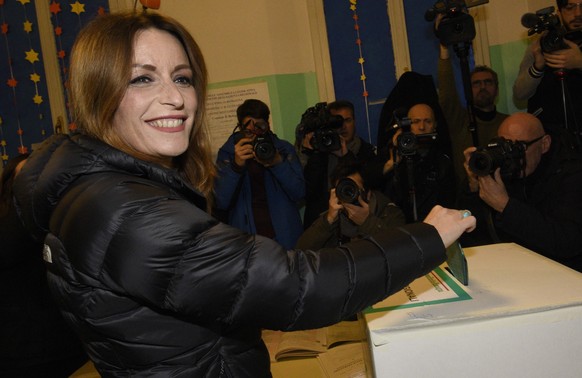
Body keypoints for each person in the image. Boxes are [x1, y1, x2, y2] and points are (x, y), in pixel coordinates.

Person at [13, 12, 476, 377]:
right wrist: (427, 237)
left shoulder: (95, 187)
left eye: (182, 77)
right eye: (142, 78)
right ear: (100, 93)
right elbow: (297, 285)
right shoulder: (123, 210)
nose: (175, 98)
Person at [459, 112, 582, 272]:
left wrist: (506, 206)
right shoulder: (505, 170)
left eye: (519, 147)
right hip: (517, 268)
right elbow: (474, 235)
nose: (511, 155)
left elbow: (566, 242)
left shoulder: (572, 176)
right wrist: (474, 186)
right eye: (504, 146)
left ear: (544, 144)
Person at [0, 154, 88, 377]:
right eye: (27, 178)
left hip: (64, 343)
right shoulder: (13, 225)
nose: (34, 184)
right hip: (23, 347)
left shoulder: (65, 218)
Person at [214, 99, 304, 249]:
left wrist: (277, 163)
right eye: (249, 131)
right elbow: (221, 202)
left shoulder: (282, 149)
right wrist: (236, 166)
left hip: (284, 236)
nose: (254, 136)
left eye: (260, 129)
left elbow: (299, 192)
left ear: (267, 126)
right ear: (240, 128)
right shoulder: (229, 153)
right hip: (247, 240)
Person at [436, 15, 509, 189]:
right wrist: (444, 48)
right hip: (468, 196)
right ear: (469, 89)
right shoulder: (460, 121)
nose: (482, 87)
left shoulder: (508, 123)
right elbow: (447, 94)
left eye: (488, 82)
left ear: (497, 89)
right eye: (476, 83)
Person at [513, 0, 582, 150]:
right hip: (550, 140)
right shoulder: (542, 44)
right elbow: (519, 93)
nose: (578, 13)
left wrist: (579, 62)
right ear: (559, 12)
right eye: (570, 7)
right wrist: (538, 67)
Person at [298, 100, 376, 229]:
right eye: (337, 122)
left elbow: (369, 184)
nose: (343, 126)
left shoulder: (366, 151)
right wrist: (315, 153)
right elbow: (308, 192)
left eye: (347, 120)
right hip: (324, 224)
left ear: (355, 121)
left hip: (356, 224)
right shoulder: (319, 153)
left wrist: (346, 156)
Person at [375, 103, 457, 223]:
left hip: (433, 227)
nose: (422, 127)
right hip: (399, 228)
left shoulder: (443, 161)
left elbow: (449, 203)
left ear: (435, 125)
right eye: (416, 121)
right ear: (407, 125)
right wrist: (393, 161)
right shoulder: (393, 154)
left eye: (427, 121)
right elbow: (374, 185)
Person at [295, 161, 405, 249]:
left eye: (353, 188)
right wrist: (328, 220)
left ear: (368, 193)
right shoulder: (333, 217)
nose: (348, 194)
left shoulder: (389, 212)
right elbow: (301, 249)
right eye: (343, 189)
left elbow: (400, 247)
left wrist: (367, 221)